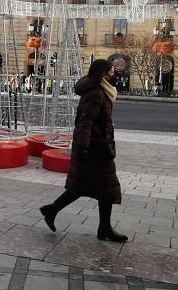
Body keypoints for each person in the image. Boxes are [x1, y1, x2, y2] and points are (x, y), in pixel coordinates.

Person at [39, 59, 127, 242]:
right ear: (103, 74)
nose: (114, 75)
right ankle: (103, 228)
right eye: (111, 72)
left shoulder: (102, 91)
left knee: (91, 187)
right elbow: (85, 121)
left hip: (98, 145)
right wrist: (82, 148)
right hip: (95, 148)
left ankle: (54, 210)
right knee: (101, 188)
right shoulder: (96, 93)